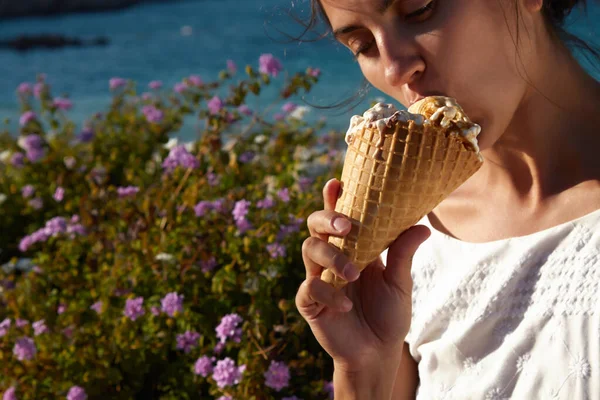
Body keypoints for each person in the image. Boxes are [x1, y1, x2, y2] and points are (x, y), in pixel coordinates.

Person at [295, 0, 600, 398]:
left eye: (420, 10)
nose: (394, 69)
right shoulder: (403, 246)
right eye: (363, 45)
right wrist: (362, 367)